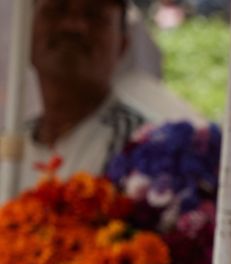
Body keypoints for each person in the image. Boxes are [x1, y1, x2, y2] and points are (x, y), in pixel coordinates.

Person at [23, 0, 150, 178]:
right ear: (26, 34)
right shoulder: (9, 144)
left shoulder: (142, 148)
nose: (72, 26)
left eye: (94, 15)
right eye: (56, 10)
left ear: (122, 46)